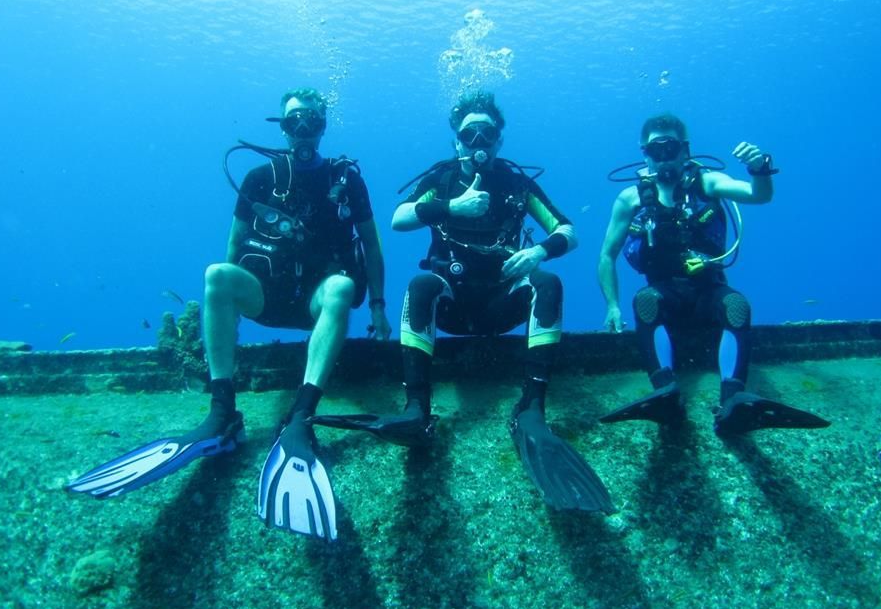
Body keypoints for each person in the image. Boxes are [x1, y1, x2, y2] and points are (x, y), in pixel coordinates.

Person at [67, 89, 392, 541]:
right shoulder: (261, 177)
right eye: (293, 120)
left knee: (341, 286)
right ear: (281, 127)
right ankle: (222, 413)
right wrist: (229, 310)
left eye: (311, 121)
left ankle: (302, 416)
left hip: (319, 300)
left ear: (322, 126)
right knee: (217, 275)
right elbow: (234, 247)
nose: (302, 129)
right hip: (270, 297)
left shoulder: (346, 181)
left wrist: (377, 305)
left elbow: (371, 246)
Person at [311, 91, 613, 513]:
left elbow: (569, 229)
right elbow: (399, 219)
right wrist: (453, 206)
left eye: (486, 134)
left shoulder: (515, 183)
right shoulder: (442, 179)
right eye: (469, 135)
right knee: (420, 285)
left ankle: (531, 410)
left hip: (502, 302)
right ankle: (417, 407)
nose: (478, 143)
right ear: (456, 141)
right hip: (452, 303)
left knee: (548, 283)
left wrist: (539, 251)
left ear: (499, 140)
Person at [597, 113, 828, 434]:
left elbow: (759, 195)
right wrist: (612, 305)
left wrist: (759, 167)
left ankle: (733, 400)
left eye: (671, 147)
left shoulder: (707, 183)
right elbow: (607, 256)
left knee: (737, 305)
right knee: (645, 301)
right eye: (655, 149)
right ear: (644, 153)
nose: (664, 156)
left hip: (709, 292)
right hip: (664, 295)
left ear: (685, 150)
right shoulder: (631, 199)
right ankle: (665, 393)